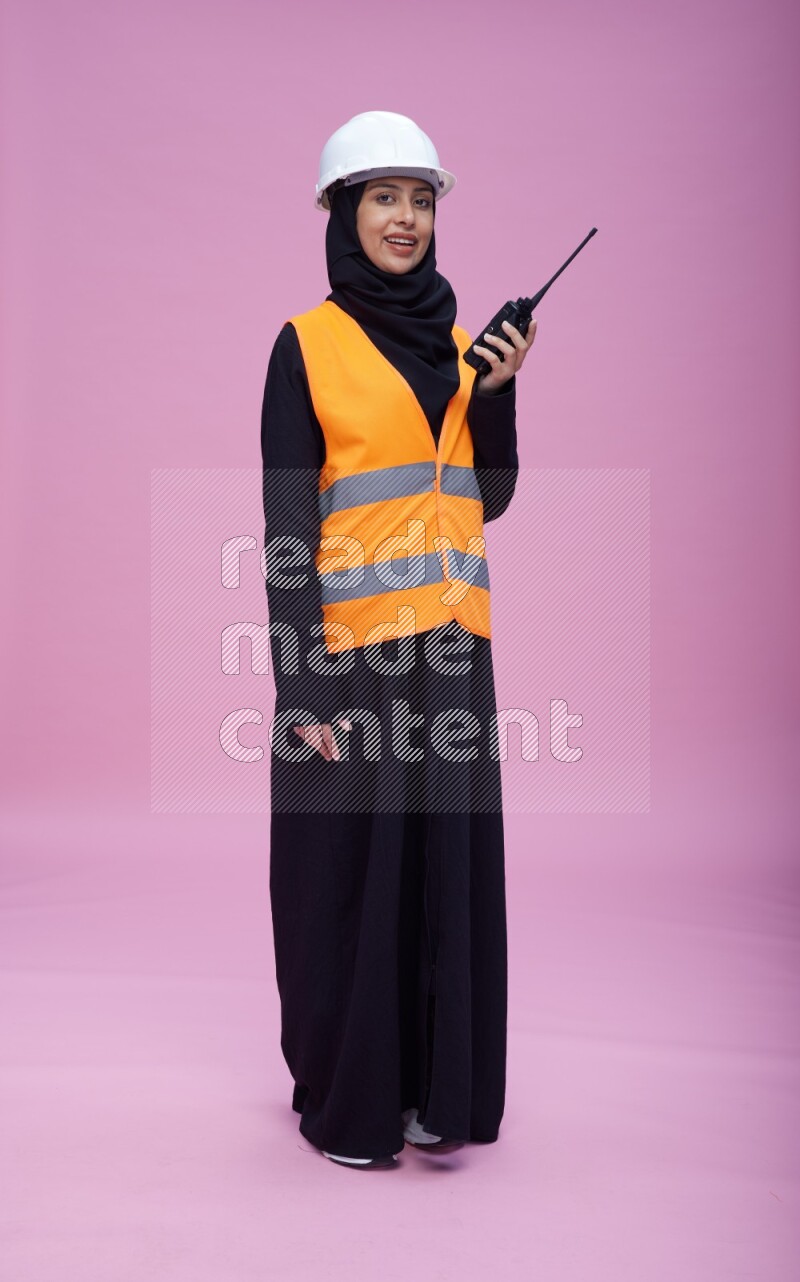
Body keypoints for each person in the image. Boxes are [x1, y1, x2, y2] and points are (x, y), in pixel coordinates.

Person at [260, 111, 537, 1170]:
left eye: (421, 199)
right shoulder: (306, 345)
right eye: (383, 197)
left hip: (455, 658)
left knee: (440, 874)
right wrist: (304, 692)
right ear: (341, 212)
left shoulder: (459, 351)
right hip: (354, 662)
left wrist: (498, 395)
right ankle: (351, 1098)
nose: (406, 218)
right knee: (347, 876)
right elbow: (288, 531)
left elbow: (490, 496)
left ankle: (433, 1091)